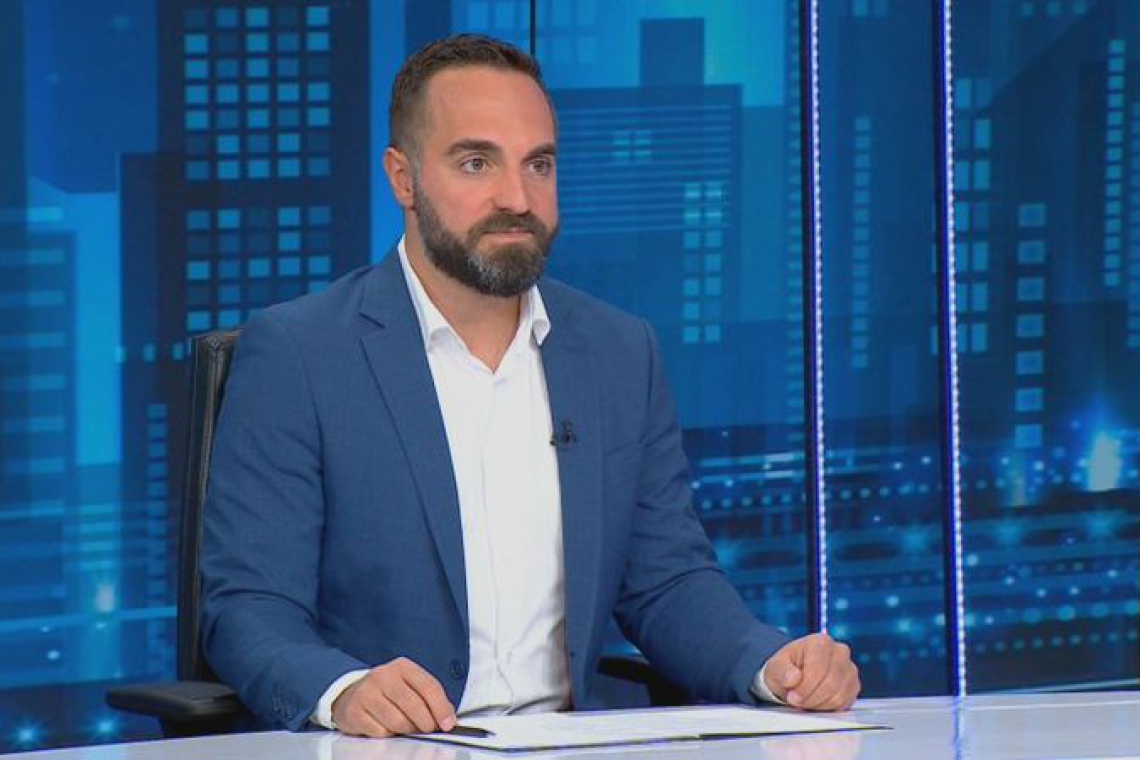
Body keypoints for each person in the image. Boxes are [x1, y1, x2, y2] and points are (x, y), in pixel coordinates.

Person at [200, 34, 860, 739]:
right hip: (391, 749)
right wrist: (343, 690)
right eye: (476, 163)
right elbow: (248, 608)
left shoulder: (619, 352)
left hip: (572, 745)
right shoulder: (302, 353)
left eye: (538, 165)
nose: (516, 198)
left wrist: (771, 664)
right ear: (403, 179)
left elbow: (667, 583)